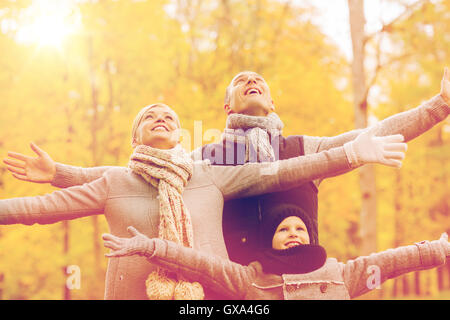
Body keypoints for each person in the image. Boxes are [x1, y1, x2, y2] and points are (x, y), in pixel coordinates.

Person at [4, 68, 450, 265]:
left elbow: (372, 135)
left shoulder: (302, 147)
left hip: (294, 274)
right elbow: (134, 178)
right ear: (226, 105)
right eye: (241, 82)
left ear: (273, 102)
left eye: (259, 81)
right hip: (228, 284)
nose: (251, 82)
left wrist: (440, 105)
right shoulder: (204, 159)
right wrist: (62, 173)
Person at [0, 103, 406, 300]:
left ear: (180, 138)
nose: (160, 117)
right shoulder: (114, 181)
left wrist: (354, 153)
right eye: (149, 116)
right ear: (135, 138)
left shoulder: (210, 174)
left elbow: (285, 170)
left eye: (170, 117)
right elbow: (37, 210)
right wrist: (56, 174)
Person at [102, 203, 450, 300]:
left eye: (299, 228)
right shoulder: (249, 279)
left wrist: (438, 249)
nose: (293, 234)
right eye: (283, 230)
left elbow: (389, 263)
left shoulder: (341, 275)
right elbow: (198, 264)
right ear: (269, 240)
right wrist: (150, 246)